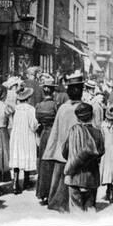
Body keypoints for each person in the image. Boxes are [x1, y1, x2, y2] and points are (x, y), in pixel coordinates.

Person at [42, 71, 85, 213]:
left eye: (77, 88)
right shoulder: (79, 108)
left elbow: (55, 131)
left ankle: (61, 203)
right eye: (75, 88)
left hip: (67, 152)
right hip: (74, 152)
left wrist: (51, 150)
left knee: (63, 178)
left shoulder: (66, 108)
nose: (77, 91)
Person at [62, 103, 105, 213]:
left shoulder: (73, 131)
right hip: (91, 176)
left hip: (74, 176)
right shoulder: (98, 132)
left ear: (77, 117)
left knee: (76, 210)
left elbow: (65, 151)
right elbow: (101, 152)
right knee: (90, 209)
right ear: (92, 116)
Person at [9, 86, 40, 193]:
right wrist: (37, 126)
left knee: (17, 156)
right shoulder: (31, 109)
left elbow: (11, 122)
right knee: (26, 155)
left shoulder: (15, 108)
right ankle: (26, 181)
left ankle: (15, 183)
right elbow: (33, 125)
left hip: (16, 134)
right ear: (28, 98)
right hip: (27, 135)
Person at [35, 75, 58, 204]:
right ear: (52, 91)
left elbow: (37, 122)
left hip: (44, 134)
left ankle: (42, 193)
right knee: (53, 163)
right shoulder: (55, 105)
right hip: (53, 134)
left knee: (43, 163)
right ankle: (51, 192)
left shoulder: (39, 106)